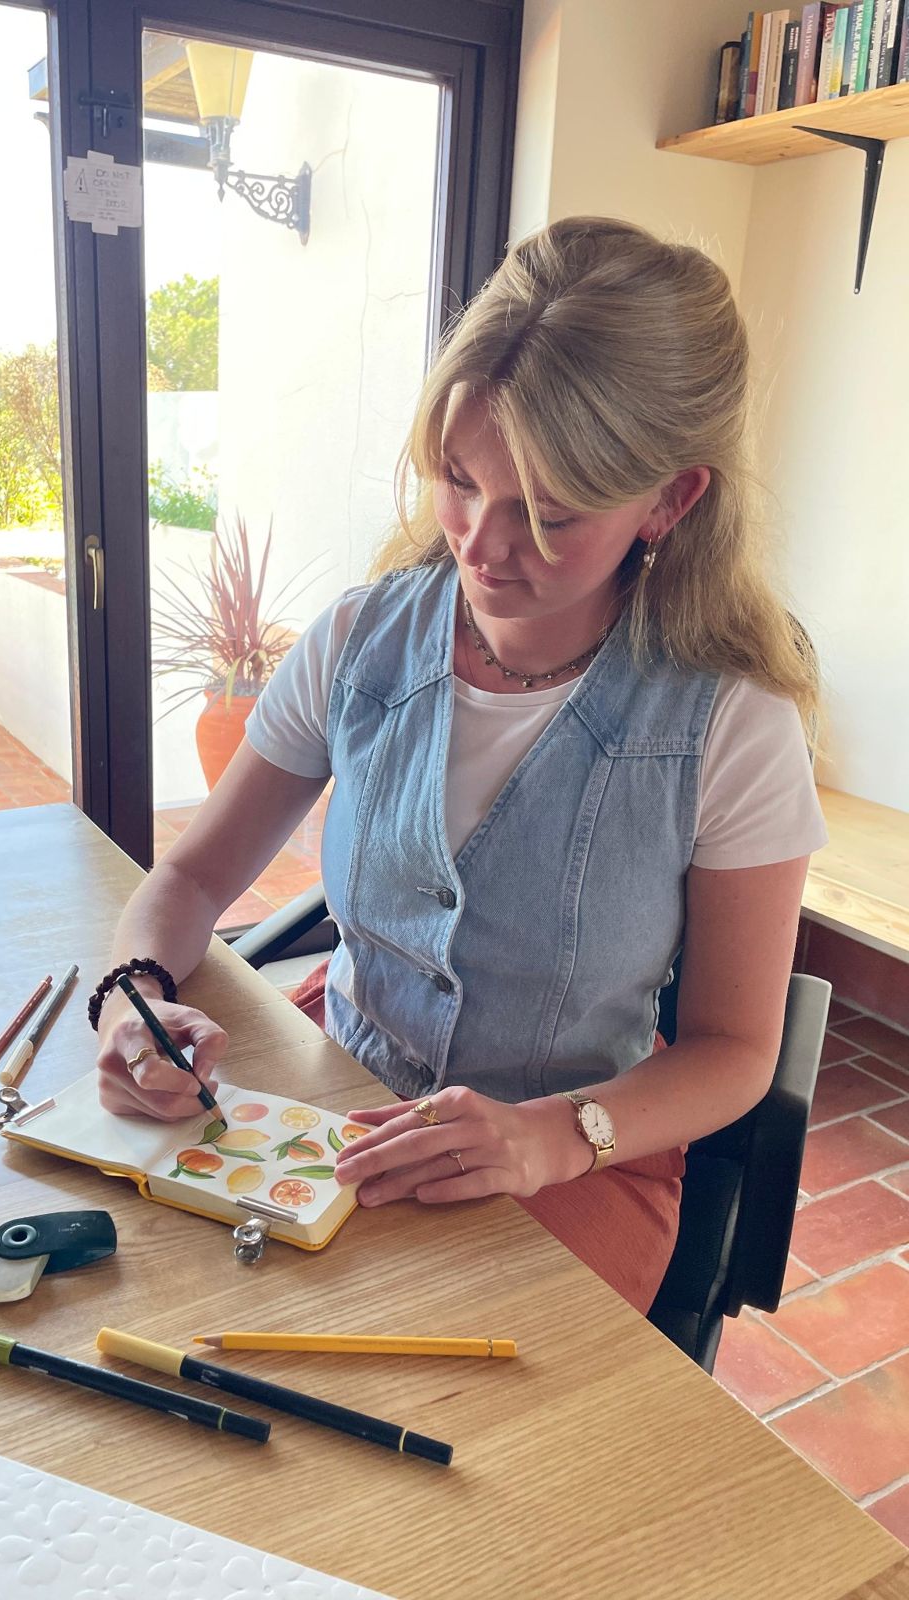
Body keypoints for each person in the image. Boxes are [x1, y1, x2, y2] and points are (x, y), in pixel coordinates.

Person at [92, 216, 826, 1315]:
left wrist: (553, 1136)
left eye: (549, 514)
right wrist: (134, 1003)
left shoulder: (731, 724)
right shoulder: (359, 641)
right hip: (341, 1091)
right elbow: (192, 880)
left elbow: (733, 1049)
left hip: (575, 1154)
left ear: (670, 502)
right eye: (458, 479)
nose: (480, 544)